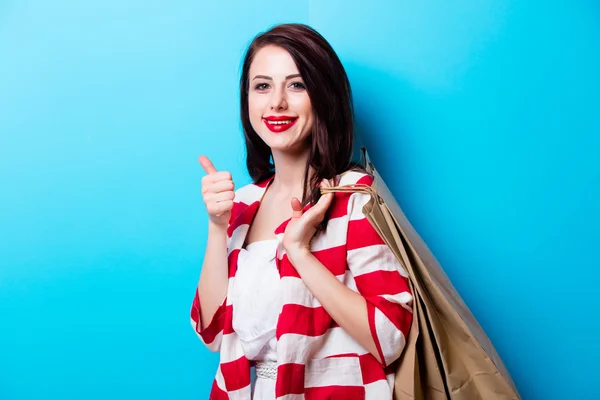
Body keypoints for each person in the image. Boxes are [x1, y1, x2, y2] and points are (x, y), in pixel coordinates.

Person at [190, 23, 413, 400]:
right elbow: (212, 333)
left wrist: (300, 253)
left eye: (296, 85)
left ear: (323, 96)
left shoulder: (354, 200)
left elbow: (389, 337)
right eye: (262, 86)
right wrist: (217, 226)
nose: (276, 102)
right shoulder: (243, 204)